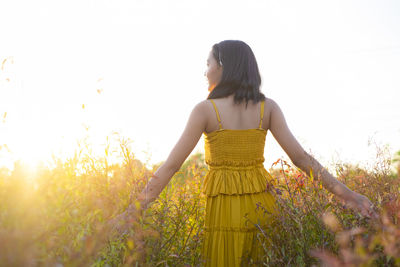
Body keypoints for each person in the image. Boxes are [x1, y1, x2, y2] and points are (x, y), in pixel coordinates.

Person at [110, 40, 378, 266]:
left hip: (224, 212)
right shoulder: (268, 108)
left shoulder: (205, 110)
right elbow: (303, 160)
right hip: (264, 211)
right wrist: (351, 197)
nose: (205, 72)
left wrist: (133, 211)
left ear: (223, 67)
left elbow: (170, 167)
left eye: (208, 64)